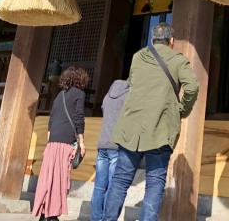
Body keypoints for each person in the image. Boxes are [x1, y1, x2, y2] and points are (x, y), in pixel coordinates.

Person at [102, 23, 199, 221]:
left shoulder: (137, 57)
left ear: (153, 39)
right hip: (160, 129)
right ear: (171, 41)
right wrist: (181, 110)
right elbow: (193, 88)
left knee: (120, 180)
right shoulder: (178, 60)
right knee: (155, 182)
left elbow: (132, 84)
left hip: (131, 128)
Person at [33, 66, 88, 221]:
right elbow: (79, 118)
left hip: (52, 141)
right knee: (60, 177)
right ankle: (52, 214)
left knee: (48, 177)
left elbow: (51, 120)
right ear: (80, 79)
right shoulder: (80, 94)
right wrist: (81, 142)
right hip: (65, 140)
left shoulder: (59, 96)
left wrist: (50, 139)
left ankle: (44, 212)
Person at [90, 79, 130, 221]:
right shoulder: (127, 96)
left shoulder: (107, 97)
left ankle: (95, 218)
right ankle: (107, 218)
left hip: (102, 145)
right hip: (116, 145)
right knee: (114, 187)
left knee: (99, 187)